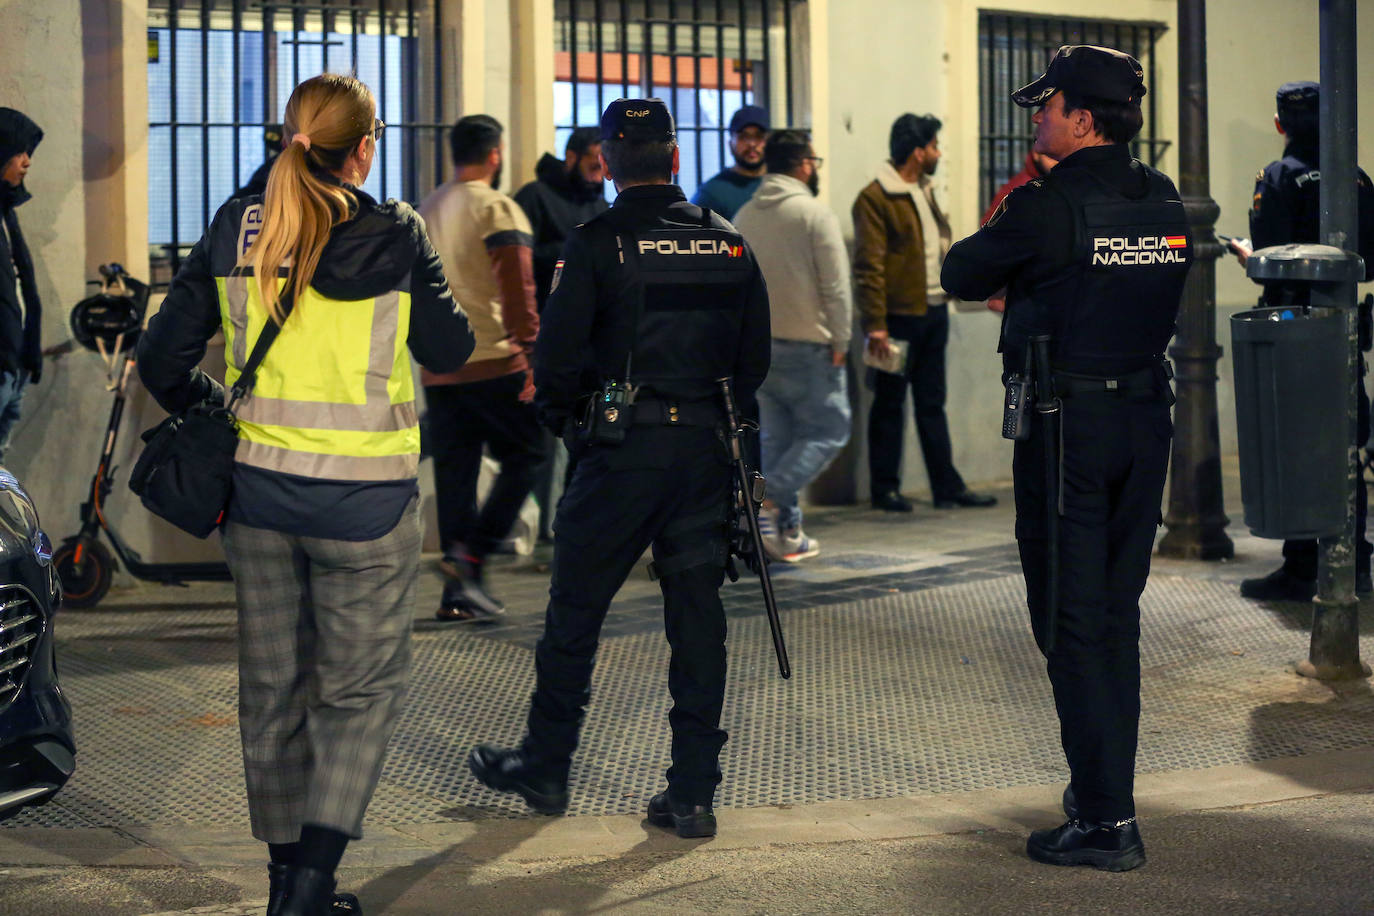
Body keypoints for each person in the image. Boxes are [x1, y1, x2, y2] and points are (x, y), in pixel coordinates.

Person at [136, 74, 475, 914]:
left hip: (257, 501)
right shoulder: (395, 231)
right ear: (364, 145)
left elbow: (161, 362)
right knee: (360, 690)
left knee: (272, 687)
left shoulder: (235, 224)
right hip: (368, 506)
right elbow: (452, 347)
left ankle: (285, 880)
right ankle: (312, 885)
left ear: (290, 137)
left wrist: (223, 411)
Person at [468, 98, 770, 839]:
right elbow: (753, 362)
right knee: (697, 622)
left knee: (575, 614)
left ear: (606, 159)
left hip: (620, 455)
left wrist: (576, 429)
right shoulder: (727, 242)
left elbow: (559, 361)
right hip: (704, 455)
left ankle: (547, 765)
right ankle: (694, 792)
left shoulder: (596, 241)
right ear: (673, 157)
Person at [942, 45, 1192, 872]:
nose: (1037, 117)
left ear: (1083, 119)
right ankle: (1099, 790)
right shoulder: (1163, 199)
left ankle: (1107, 821)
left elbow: (961, 270)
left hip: (1069, 431)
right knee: (1114, 615)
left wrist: (1030, 276)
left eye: (1047, 106)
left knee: (1071, 621)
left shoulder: (1041, 203)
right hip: (1144, 423)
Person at [1226, 81, 1374, 602]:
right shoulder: (1354, 177)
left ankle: (1301, 566)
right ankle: (1352, 556)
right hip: (1346, 328)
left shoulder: (1279, 176)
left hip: (1294, 327)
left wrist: (1250, 258)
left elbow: (1270, 258)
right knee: (1346, 441)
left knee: (1295, 441)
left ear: (1280, 124)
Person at [418, 114, 546, 621]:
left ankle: (459, 591)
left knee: (456, 473)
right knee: (530, 454)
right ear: (495, 154)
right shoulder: (497, 208)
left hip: (440, 368)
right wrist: (533, 353)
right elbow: (518, 288)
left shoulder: (427, 208)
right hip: (495, 359)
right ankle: (473, 553)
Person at [853, 113, 995, 513]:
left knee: (932, 402)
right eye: (934, 146)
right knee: (889, 405)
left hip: (934, 312)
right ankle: (885, 489)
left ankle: (946, 487)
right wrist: (876, 325)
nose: (939, 153)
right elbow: (869, 266)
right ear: (918, 152)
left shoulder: (925, 189)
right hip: (897, 317)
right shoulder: (877, 197)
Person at [733, 129, 851, 561]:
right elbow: (835, 286)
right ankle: (762, 501)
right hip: (811, 345)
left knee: (780, 443)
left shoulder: (746, 215)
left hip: (763, 348)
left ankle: (785, 533)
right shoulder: (813, 214)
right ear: (803, 164)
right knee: (829, 431)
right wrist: (841, 337)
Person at [514, 126, 609, 311]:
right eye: (594, 167)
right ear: (572, 157)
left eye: (603, 169)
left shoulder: (599, 204)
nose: (599, 179)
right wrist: (569, 251)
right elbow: (517, 259)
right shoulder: (534, 196)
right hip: (543, 310)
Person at [0, 108, 45, 463]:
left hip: (13, 368)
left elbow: (19, 288)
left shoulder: (5, 212)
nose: (27, 162)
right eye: (20, 152)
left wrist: (27, 355)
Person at [691, 105, 769, 220]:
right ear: (730, 143)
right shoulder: (711, 194)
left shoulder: (783, 184)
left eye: (758, 136)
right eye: (743, 137)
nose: (752, 144)